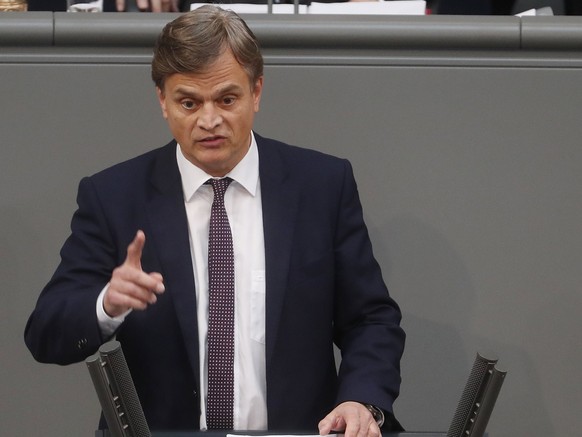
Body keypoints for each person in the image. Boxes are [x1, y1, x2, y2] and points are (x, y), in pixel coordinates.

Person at [24, 6, 405, 436]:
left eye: (227, 99)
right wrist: (106, 304)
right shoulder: (114, 196)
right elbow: (45, 333)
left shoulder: (321, 186)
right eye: (189, 102)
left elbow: (371, 320)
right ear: (162, 101)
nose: (209, 121)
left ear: (256, 92)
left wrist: (361, 399)